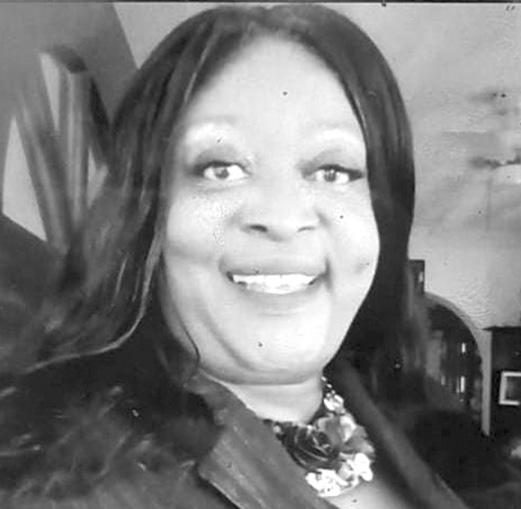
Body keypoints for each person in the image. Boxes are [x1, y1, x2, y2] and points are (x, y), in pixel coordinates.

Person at [0, 5, 471, 508]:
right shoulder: (64, 489)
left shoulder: (432, 431)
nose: (283, 217)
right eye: (220, 168)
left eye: (333, 171)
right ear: (145, 219)